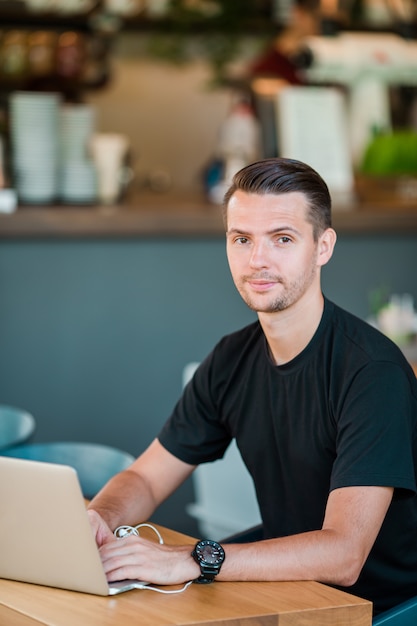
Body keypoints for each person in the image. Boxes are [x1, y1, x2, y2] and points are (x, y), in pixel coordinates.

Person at [88, 157, 417, 616]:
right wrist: (99, 519)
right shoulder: (230, 359)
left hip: (375, 607)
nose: (257, 260)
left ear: (323, 247)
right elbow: (144, 476)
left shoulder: (372, 371)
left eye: (282, 239)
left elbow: (344, 555)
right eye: (242, 239)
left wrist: (191, 559)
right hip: (286, 582)